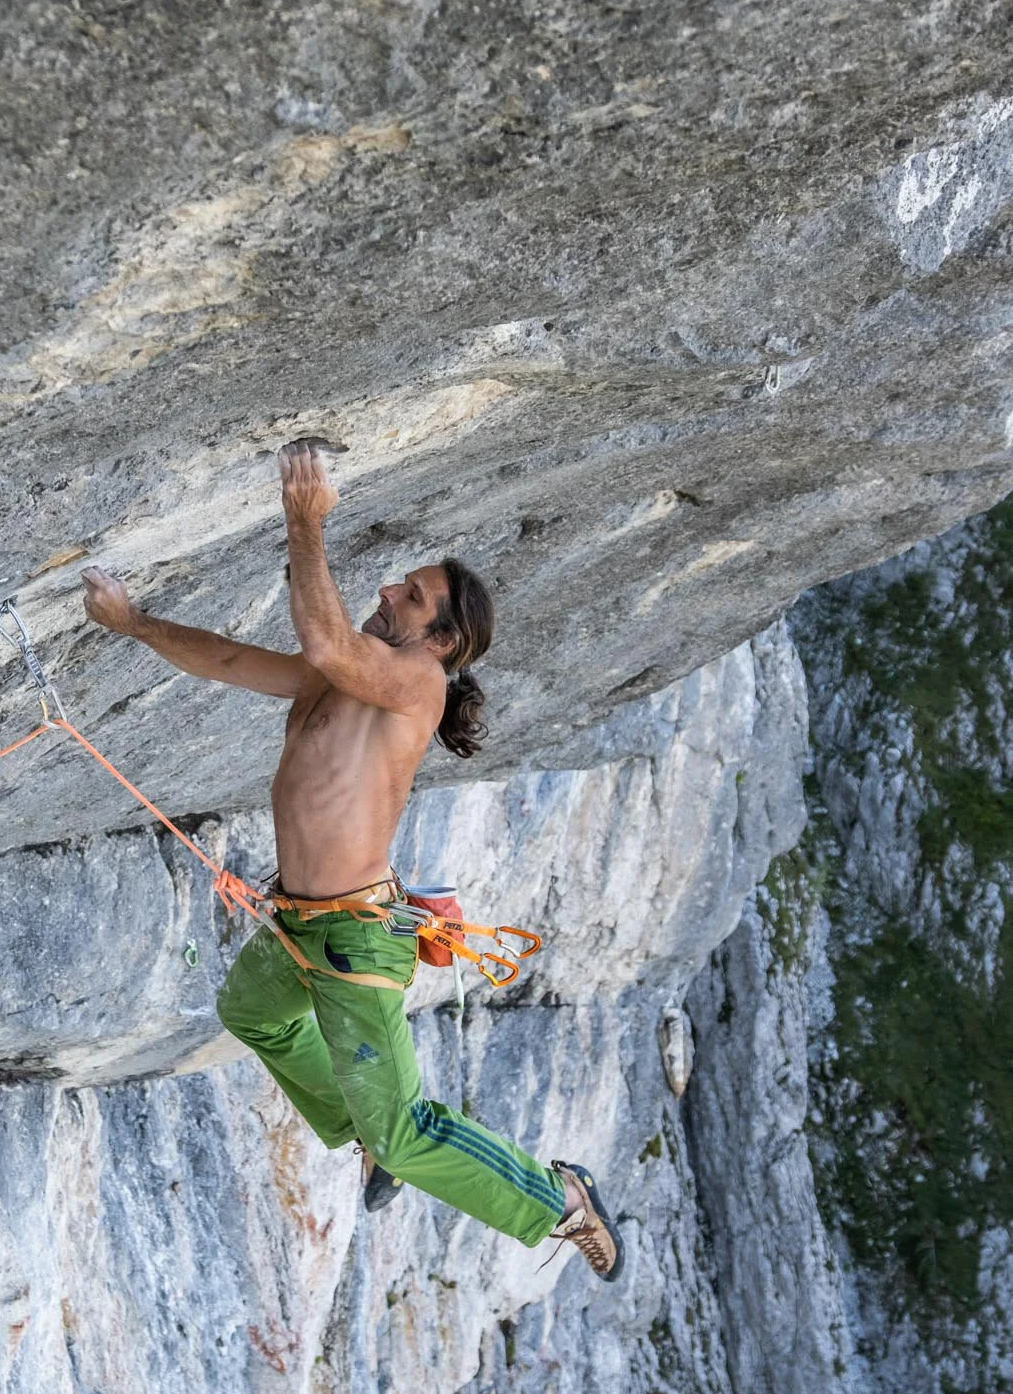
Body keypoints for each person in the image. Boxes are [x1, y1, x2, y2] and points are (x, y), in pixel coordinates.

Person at [80, 440, 624, 1280]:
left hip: (351, 943)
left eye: (409, 597)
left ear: (438, 640)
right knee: (252, 1012)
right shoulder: (334, 680)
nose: (386, 591)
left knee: (404, 1126)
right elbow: (229, 660)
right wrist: (134, 624)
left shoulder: (415, 683)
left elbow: (331, 645)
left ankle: (555, 1198)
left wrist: (304, 522)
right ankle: (365, 1137)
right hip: (300, 924)